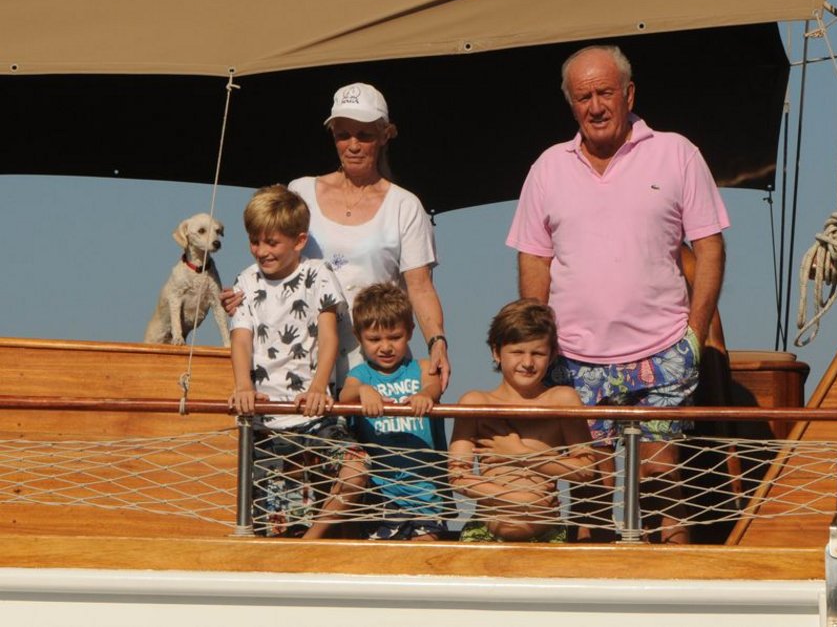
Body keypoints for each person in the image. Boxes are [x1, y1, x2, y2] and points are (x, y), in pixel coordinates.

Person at [505, 44, 730, 543]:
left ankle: (673, 586)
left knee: (663, 480)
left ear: (629, 94)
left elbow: (710, 247)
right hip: (574, 356)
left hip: (663, 350)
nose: (595, 107)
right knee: (590, 487)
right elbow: (534, 259)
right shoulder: (547, 167)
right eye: (583, 98)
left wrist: (694, 334)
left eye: (604, 93)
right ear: (571, 106)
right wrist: (537, 343)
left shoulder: (677, 153)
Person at [223, 82, 450, 390]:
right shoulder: (300, 191)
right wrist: (245, 295)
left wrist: (437, 342)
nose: (353, 145)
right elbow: (274, 260)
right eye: (343, 134)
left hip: (377, 366)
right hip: (301, 366)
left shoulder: (406, 206)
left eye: (364, 135)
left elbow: (420, 287)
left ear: (385, 135)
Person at [228, 184, 366, 539]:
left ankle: (311, 540)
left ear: (299, 241)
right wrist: (243, 385)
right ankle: (292, 547)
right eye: (255, 242)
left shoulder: (317, 274)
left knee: (357, 469)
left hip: (314, 416)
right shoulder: (246, 281)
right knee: (275, 518)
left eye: (272, 242)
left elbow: (329, 335)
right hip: (267, 422)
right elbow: (241, 337)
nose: (262, 251)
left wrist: (319, 386)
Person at [448, 299, 595, 543]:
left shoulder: (561, 399)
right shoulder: (476, 402)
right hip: (484, 533)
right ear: (496, 352)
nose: (527, 363)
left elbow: (586, 470)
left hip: (547, 535)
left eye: (538, 353)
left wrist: (520, 453)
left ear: (552, 355)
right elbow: (457, 475)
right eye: (517, 352)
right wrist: (518, 499)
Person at [339, 283, 448, 541]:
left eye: (394, 337)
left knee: (427, 554)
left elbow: (433, 385)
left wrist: (425, 395)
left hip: (424, 492)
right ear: (358, 336)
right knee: (383, 558)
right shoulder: (359, 375)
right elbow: (345, 395)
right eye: (374, 339)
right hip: (381, 496)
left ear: (410, 331)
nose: (385, 347)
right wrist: (363, 391)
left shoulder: (421, 368)